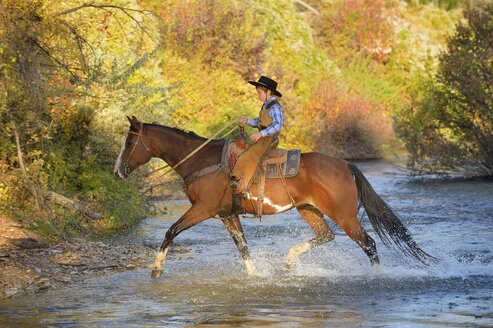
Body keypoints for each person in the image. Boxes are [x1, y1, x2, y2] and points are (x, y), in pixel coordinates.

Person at [230, 76, 283, 214]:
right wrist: (247, 121)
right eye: (258, 92)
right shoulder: (266, 105)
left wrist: (261, 134)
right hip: (265, 137)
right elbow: (259, 122)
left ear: (269, 92)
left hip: (269, 139)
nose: (258, 95)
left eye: (260, 92)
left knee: (249, 155)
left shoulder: (274, 106)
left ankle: (243, 186)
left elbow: (278, 125)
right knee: (244, 151)